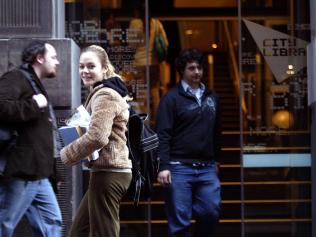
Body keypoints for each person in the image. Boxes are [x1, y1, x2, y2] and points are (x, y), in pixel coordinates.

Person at [60, 45, 132, 237]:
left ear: (104, 68)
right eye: (81, 66)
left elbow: (97, 136)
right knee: (79, 232)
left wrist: (66, 155)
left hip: (110, 173)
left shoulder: (105, 94)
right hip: (105, 172)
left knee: (104, 233)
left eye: (91, 66)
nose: (85, 71)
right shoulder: (103, 91)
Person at [156, 48, 222, 237]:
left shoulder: (212, 97)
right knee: (179, 222)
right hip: (178, 168)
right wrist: (164, 166)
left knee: (211, 211)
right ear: (182, 71)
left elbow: (217, 131)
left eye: (199, 68)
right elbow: (163, 134)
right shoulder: (171, 98)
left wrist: (217, 159)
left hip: (207, 168)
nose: (197, 72)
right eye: (191, 68)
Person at [0, 40, 62, 237]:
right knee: (4, 224)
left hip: (40, 174)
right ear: (40, 58)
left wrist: (54, 173)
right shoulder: (16, 77)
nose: (57, 62)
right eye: (53, 57)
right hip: (21, 170)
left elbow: (43, 137)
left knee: (52, 224)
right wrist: (34, 105)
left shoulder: (35, 84)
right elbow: (2, 107)